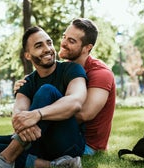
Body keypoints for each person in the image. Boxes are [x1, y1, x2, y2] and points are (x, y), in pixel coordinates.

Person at [0, 26, 88, 168]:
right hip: (37, 142)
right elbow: (19, 114)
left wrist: (37, 114)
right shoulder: (27, 82)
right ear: (28, 55)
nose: (47, 49)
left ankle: (6, 160)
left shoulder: (71, 69)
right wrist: (23, 119)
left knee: (47, 91)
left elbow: (75, 101)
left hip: (67, 142)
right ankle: (54, 165)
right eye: (39, 46)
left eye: (49, 43)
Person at [15, 18, 116, 155]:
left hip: (85, 145)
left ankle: (16, 154)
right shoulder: (66, 69)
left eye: (71, 41)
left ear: (87, 48)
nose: (63, 43)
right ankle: (18, 153)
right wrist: (26, 89)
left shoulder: (100, 74)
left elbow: (83, 114)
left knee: (16, 149)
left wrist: (35, 118)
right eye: (64, 37)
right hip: (51, 135)